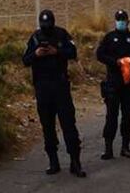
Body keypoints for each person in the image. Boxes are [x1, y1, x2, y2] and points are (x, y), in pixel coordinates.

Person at [22, 10, 85, 178]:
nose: (46, 28)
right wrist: (36, 54)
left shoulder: (62, 34)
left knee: (68, 124)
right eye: (44, 25)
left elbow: (73, 53)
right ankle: (53, 161)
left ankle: (75, 162)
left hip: (60, 85)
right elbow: (25, 60)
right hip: (42, 87)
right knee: (47, 126)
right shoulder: (35, 37)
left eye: (48, 24)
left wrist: (57, 51)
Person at [96, 9, 130, 160]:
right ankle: (108, 148)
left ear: (128, 21)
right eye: (119, 20)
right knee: (111, 116)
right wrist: (116, 62)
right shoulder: (109, 38)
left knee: (127, 116)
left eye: (123, 20)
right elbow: (100, 55)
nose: (121, 22)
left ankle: (125, 146)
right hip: (113, 81)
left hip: (128, 82)